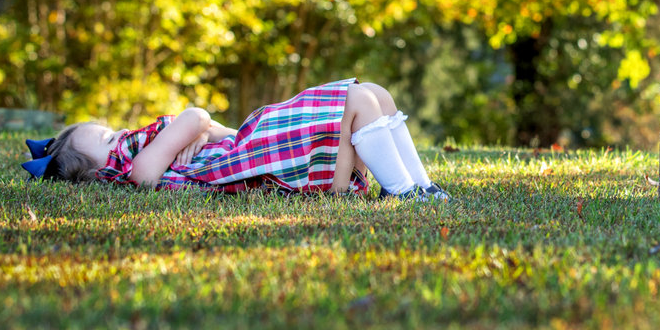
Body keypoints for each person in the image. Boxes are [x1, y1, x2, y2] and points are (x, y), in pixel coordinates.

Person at [22, 79, 448, 200]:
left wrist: (201, 131)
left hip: (276, 153)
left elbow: (227, 134)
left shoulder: (161, 151)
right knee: (354, 98)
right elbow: (194, 116)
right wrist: (193, 123)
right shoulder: (138, 166)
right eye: (109, 137)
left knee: (375, 94)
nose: (122, 133)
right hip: (299, 171)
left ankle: (420, 186)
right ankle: (403, 193)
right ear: (101, 172)